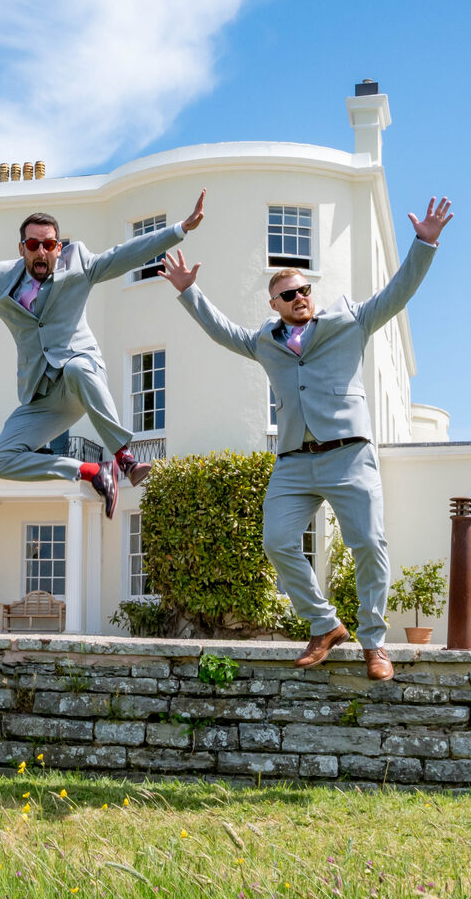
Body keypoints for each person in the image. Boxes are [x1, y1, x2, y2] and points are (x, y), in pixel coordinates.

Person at [158, 196, 453, 679]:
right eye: (289, 294)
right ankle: (325, 624)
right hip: (294, 461)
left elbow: (397, 293)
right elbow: (222, 331)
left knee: (369, 545)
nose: (300, 298)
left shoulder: (348, 322)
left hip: (349, 456)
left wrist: (425, 243)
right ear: (273, 303)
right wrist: (190, 292)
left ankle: (374, 643)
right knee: (277, 541)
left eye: (304, 290)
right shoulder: (264, 343)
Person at [0, 191, 205, 518]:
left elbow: (124, 255)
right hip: (42, 396)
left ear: (58, 247)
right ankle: (93, 471)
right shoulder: (0, 279)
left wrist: (179, 229)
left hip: (81, 375)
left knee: (76, 368)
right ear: (22, 249)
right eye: (33, 245)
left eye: (49, 244)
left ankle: (124, 457)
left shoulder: (80, 264)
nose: (42, 251)